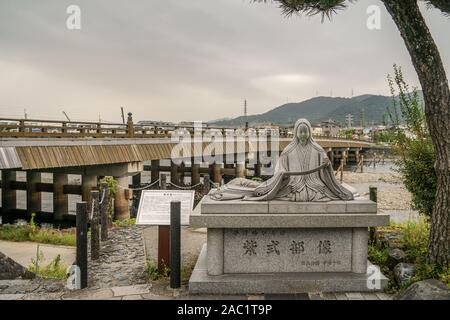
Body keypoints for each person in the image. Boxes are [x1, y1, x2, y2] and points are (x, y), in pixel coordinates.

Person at [209, 118, 354, 202]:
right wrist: (285, 177)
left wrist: (327, 166)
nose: (303, 134)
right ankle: (235, 185)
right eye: (300, 131)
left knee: (315, 194)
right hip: (291, 186)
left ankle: (237, 184)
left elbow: (325, 173)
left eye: (305, 131)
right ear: (296, 132)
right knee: (261, 190)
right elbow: (281, 170)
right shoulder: (288, 150)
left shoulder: (318, 150)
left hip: (314, 186)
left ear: (309, 132)